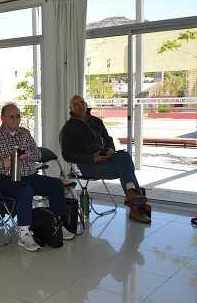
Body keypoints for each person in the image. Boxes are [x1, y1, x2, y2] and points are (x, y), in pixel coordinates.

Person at [0, 103, 75, 251]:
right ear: (2, 118)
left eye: (18, 116)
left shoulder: (24, 133)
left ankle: (57, 224)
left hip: (29, 175)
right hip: (6, 179)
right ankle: (24, 233)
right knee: (25, 190)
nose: (15, 120)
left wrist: (27, 155)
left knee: (56, 184)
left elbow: (38, 154)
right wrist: (1, 163)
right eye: (11, 117)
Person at [60, 95, 151, 223]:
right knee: (126, 168)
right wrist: (92, 158)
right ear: (71, 109)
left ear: (86, 104)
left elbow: (108, 139)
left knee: (124, 156)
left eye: (82, 103)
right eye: (76, 105)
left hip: (108, 159)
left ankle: (132, 195)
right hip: (89, 165)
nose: (80, 106)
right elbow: (67, 155)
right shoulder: (69, 128)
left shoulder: (96, 121)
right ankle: (135, 204)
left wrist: (110, 150)